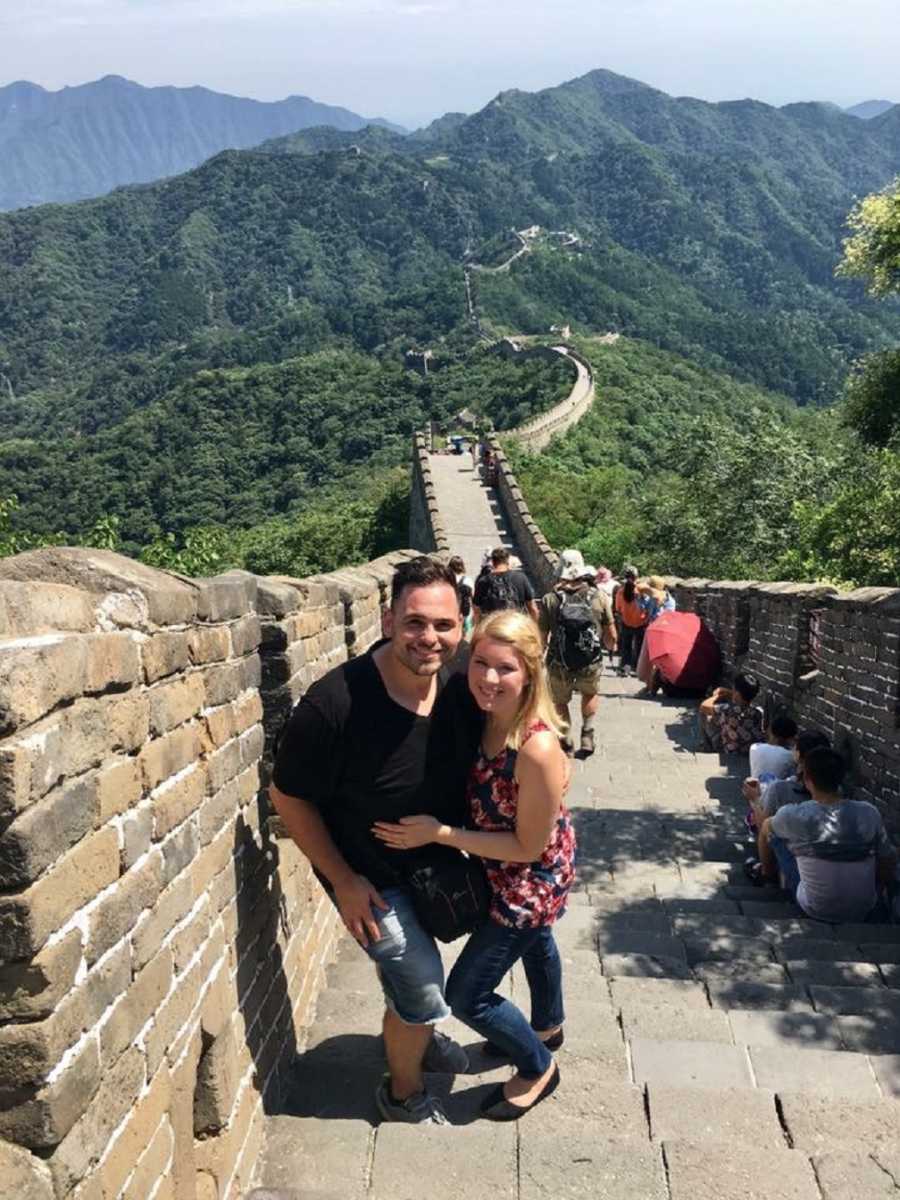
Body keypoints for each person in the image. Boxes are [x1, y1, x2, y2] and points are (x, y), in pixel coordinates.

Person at [269, 556, 481, 1125]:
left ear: (462, 625)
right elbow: (287, 797)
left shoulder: (462, 683)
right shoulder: (335, 704)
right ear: (388, 621)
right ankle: (403, 1091)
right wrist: (343, 882)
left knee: (418, 980)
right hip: (370, 879)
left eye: (443, 625)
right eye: (415, 622)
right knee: (422, 984)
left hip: (434, 865)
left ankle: (415, 1031)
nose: (429, 639)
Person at [374, 610, 574, 1120]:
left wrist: (438, 834)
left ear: (529, 671)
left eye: (505, 668)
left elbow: (528, 848)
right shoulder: (486, 717)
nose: (488, 678)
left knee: (468, 994)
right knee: (540, 943)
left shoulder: (535, 747)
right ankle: (548, 1023)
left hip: (529, 882)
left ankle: (536, 1063)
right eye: (480, 663)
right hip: (501, 869)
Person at [758, 747, 898, 923]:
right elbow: (887, 861)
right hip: (864, 906)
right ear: (841, 778)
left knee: (771, 831)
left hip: (815, 908)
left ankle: (767, 876)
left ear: (807, 780)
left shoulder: (792, 815)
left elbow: (764, 827)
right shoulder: (869, 813)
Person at [538, 548, 616, 756]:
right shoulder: (598, 596)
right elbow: (611, 633)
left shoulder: (550, 599)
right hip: (590, 660)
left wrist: (539, 656)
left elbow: (541, 635)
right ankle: (587, 733)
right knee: (590, 693)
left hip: (559, 660)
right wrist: (609, 647)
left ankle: (565, 738)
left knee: (559, 701)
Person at [742, 728, 830, 884]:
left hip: (796, 863)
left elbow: (765, 828)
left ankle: (765, 870)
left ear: (798, 754)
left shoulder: (783, 793)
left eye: (795, 747)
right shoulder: (856, 806)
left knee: (766, 820)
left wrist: (754, 799)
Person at [699, 671, 764, 754]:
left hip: (730, 751)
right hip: (747, 751)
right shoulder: (758, 712)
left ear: (737, 693)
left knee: (705, 715)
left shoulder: (728, 709)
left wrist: (718, 695)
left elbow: (703, 706)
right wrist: (731, 693)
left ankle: (707, 746)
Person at [473, 546, 539, 622]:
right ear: (508, 561)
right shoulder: (521, 578)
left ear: (493, 562)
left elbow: (476, 610)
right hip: (515, 626)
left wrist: (478, 628)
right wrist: (534, 627)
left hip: (492, 627)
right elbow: (532, 608)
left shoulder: (483, 581)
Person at [614, 564, 648, 676]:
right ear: (636, 577)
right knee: (639, 647)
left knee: (626, 647)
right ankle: (638, 669)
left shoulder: (620, 592)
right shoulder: (642, 590)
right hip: (641, 622)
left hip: (626, 622)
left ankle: (625, 668)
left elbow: (618, 608)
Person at [749, 713, 798, 784]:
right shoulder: (790, 756)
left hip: (755, 791)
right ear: (791, 737)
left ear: (770, 731)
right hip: (777, 793)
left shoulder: (754, 747)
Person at [449, 554, 475, 639]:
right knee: (463, 632)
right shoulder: (468, 580)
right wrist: (474, 613)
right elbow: (472, 597)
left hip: (450, 609)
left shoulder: (447, 579)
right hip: (464, 610)